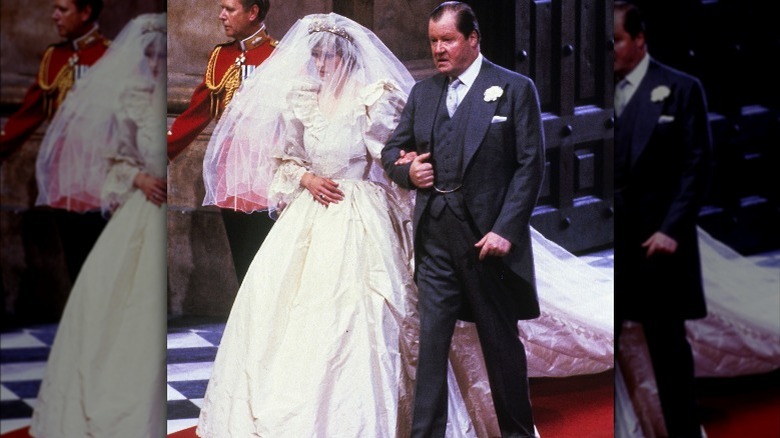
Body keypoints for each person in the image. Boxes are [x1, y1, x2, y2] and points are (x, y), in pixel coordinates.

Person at [195, 12, 481, 437]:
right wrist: (306, 178)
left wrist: (410, 170)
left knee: (367, 315)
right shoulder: (301, 98)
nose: (319, 65)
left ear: (345, 56)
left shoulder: (375, 97)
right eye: (315, 57)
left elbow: (392, 157)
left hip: (360, 209)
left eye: (326, 57)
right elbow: (285, 159)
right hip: (311, 212)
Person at [381, 2, 545, 436]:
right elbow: (391, 151)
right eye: (433, 41)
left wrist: (506, 230)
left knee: (500, 344)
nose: (438, 49)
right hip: (434, 235)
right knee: (431, 345)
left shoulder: (513, 88)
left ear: (473, 39)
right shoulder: (424, 92)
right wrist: (408, 171)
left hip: (486, 241)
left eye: (447, 39)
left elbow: (531, 166)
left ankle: (517, 432)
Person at [29, 12, 167, 437]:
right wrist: (139, 177)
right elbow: (110, 162)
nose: (155, 61)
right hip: (139, 211)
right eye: (148, 53)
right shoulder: (130, 96)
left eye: (160, 53)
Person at [613, 2, 713, 437]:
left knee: (670, 355)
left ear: (639, 39)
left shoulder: (680, 88)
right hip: (614, 252)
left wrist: (671, 230)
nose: (610, 49)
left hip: (657, 250)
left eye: (616, 39)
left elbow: (697, 165)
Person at [167, 0, 278, 284]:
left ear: (252, 12)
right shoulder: (221, 56)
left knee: (267, 260)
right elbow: (197, 112)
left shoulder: (279, 56)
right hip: (231, 171)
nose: (221, 16)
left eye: (229, 9)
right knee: (242, 256)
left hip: (270, 172)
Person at [1, 0, 110, 286]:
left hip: (104, 178)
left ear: (85, 12)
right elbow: (28, 114)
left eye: (63, 9)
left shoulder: (112, 55)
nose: (54, 16)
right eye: (54, 9)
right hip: (64, 176)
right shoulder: (55, 57)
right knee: (74, 260)